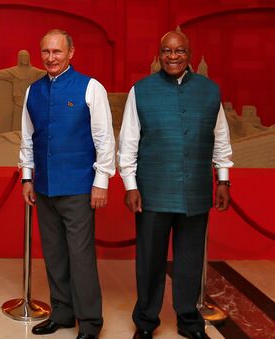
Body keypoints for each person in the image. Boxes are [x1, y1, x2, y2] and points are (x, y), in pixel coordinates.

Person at [118, 31, 233, 339]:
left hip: (196, 190)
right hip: (152, 192)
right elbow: (128, 142)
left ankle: (188, 320)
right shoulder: (140, 90)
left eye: (179, 51)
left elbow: (220, 138)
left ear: (189, 54)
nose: (173, 56)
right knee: (150, 261)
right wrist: (130, 185)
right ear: (159, 54)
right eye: (167, 51)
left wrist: (223, 178)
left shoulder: (210, 91)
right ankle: (145, 322)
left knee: (190, 261)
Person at [19, 29, 115, 339]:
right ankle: (61, 313)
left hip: (79, 188)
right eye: (45, 51)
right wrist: (27, 178)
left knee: (81, 257)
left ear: (70, 53)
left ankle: (89, 323)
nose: (50, 58)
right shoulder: (32, 91)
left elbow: (104, 138)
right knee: (54, 253)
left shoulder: (91, 88)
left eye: (57, 51)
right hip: (44, 187)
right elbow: (27, 139)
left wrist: (101, 182)